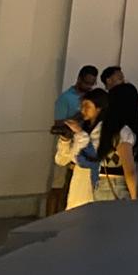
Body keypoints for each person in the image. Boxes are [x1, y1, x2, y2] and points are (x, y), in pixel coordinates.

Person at [48, 65, 98, 215]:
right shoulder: (65, 98)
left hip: (82, 149)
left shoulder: (91, 97)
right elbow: (58, 125)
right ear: (79, 79)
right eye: (87, 83)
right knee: (57, 186)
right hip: (67, 146)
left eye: (92, 84)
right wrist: (78, 119)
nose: (89, 87)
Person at [54, 89, 108, 209]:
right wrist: (65, 140)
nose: (83, 110)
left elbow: (90, 156)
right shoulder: (82, 127)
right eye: (82, 106)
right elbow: (61, 160)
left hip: (93, 182)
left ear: (99, 108)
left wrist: (79, 133)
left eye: (87, 106)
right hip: (77, 181)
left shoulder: (105, 131)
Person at [94, 83, 138, 201]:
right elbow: (130, 172)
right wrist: (134, 199)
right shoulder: (123, 132)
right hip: (117, 187)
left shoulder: (104, 128)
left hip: (101, 185)